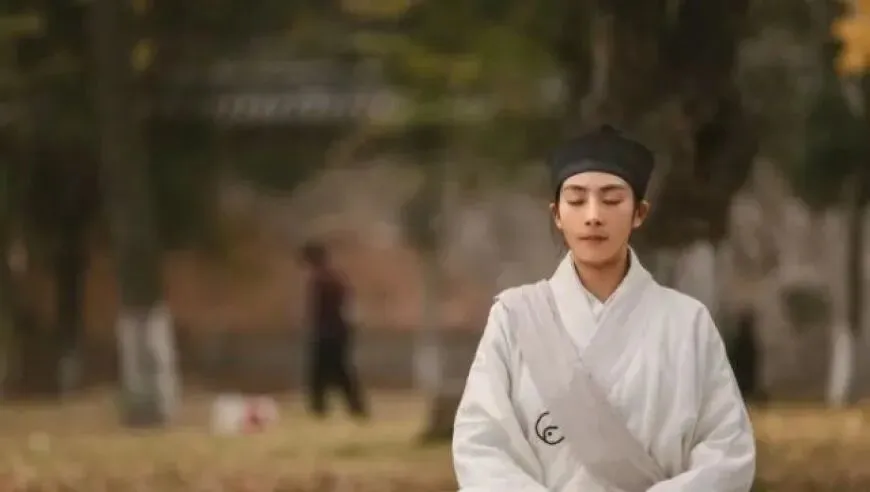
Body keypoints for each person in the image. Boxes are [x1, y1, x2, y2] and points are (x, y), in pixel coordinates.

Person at [452, 125, 755, 492]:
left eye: (611, 200)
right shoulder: (515, 317)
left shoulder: (687, 322)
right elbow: (481, 447)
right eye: (577, 200)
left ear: (639, 213)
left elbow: (726, 451)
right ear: (557, 214)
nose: (593, 215)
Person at [299, 240, 367, 420]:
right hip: (338, 331)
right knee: (337, 372)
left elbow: (318, 309)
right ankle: (352, 407)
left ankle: (321, 407)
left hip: (328, 332)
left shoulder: (321, 280)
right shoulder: (335, 278)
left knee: (324, 371)